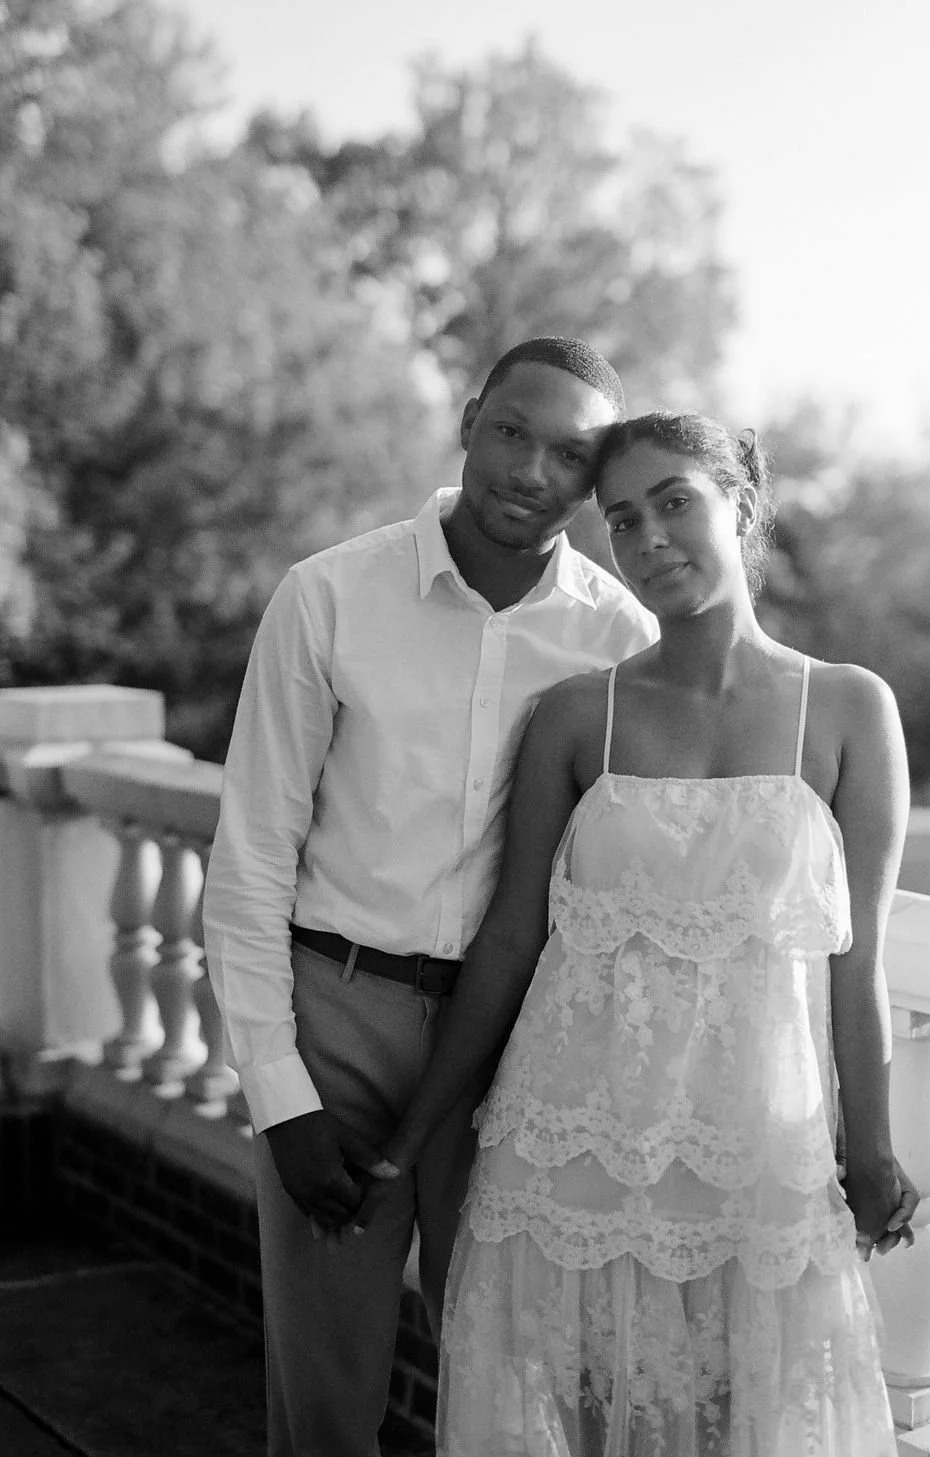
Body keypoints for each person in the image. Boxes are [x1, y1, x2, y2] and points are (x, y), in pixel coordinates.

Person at [366, 411, 919, 1456]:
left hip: (756, 1157)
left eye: (675, 502)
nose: (650, 537)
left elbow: (860, 960)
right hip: (562, 1153)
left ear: (742, 507)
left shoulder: (849, 708)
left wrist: (875, 1147)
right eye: (622, 519)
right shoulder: (580, 716)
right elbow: (509, 945)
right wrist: (412, 1131)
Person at [201, 337, 659, 1457]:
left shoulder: (619, 641)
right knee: (324, 1403)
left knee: (510, 1388)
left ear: (593, 484)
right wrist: (281, 1092)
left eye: (570, 454)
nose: (530, 472)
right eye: (512, 431)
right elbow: (252, 854)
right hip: (336, 1019)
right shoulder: (328, 596)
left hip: (517, 1046)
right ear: (467, 421)